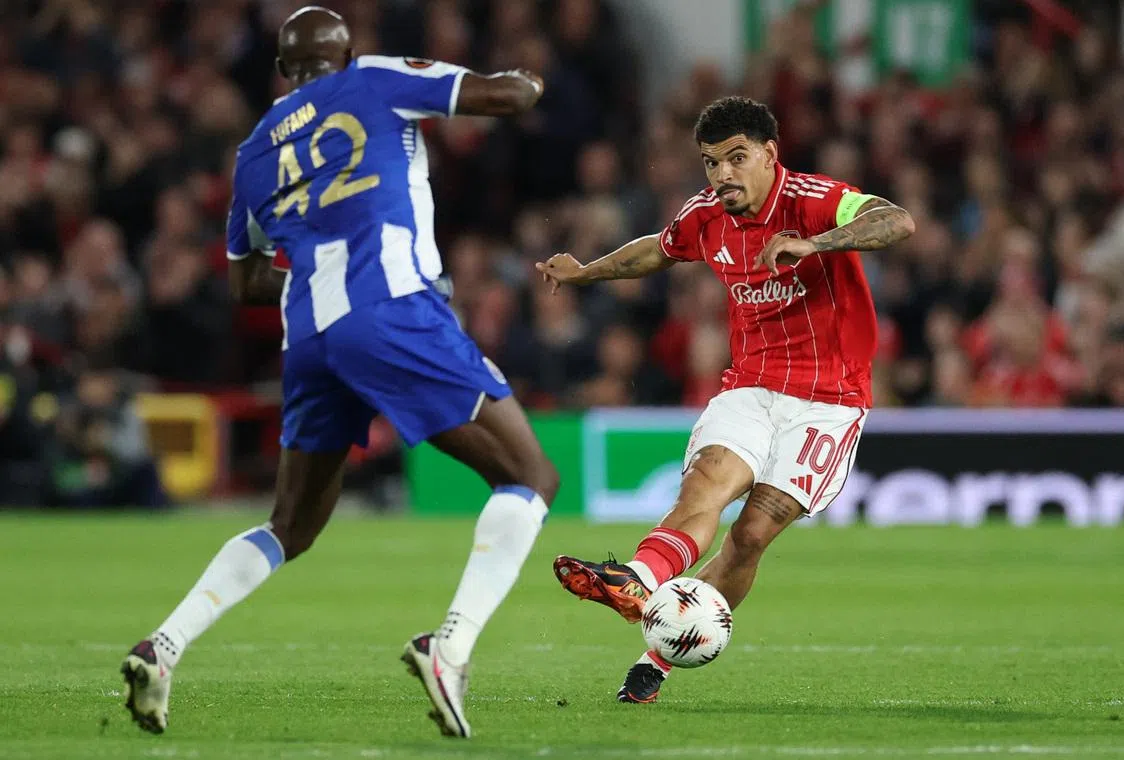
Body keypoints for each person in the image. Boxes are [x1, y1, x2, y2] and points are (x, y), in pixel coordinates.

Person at [120, 6, 558, 740]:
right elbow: (508, 96)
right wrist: (534, 75)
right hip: (390, 307)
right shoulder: (375, 79)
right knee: (531, 476)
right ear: (347, 54)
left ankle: (161, 647)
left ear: (282, 71)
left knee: (290, 524)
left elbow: (245, 281)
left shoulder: (254, 151)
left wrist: (321, 262)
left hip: (308, 335)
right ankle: (450, 648)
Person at [536, 96, 914, 703]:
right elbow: (656, 250)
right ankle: (636, 577)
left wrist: (817, 245)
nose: (723, 175)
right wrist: (586, 272)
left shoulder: (814, 199)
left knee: (753, 533)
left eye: (737, 158)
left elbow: (896, 220)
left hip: (829, 400)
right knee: (707, 485)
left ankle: (658, 658)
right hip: (751, 386)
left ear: (769, 154)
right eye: (711, 163)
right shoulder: (706, 215)